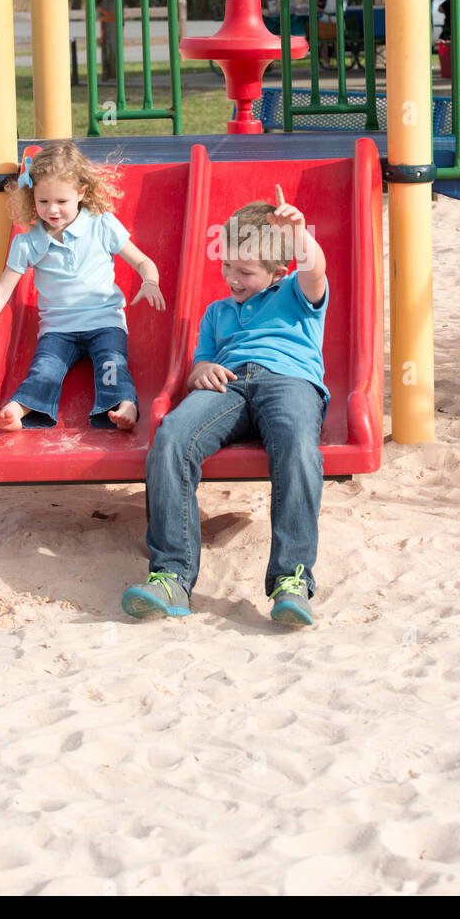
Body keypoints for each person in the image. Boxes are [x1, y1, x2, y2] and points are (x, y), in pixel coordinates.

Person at [122, 185, 328, 627]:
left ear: (278, 270)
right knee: (173, 437)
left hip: (289, 384)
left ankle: (291, 579)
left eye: (246, 271)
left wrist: (298, 234)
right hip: (229, 387)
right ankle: (172, 576)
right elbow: (201, 361)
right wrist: (201, 372)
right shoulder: (217, 312)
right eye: (227, 265)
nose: (233, 278)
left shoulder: (296, 293)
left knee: (296, 445)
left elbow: (316, 269)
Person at [0, 140, 165, 432]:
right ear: (32, 198)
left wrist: (150, 281)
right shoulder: (28, 242)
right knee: (45, 370)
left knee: (111, 363)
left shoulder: (101, 225)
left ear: (81, 193)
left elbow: (143, 262)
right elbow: (2, 291)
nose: (52, 210)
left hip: (104, 321)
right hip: (58, 329)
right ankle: (19, 409)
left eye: (61, 202)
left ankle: (124, 405)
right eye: (43, 202)